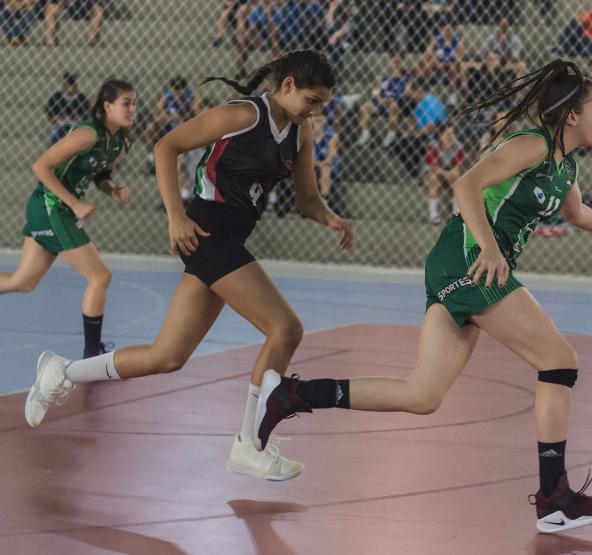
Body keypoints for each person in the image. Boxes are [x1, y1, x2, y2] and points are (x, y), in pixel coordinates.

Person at [255, 60, 592, 534]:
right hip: (468, 258)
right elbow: (465, 183)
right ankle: (554, 497)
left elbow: (576, 214)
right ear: (571, 114)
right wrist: (490, 246)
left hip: (466, 264)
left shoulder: (565, 164)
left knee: (422, 395)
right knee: (559, 361)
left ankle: (291, 394)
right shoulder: (531, 144)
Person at [24, 51, 354, 483]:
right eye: (313, 99)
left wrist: (331, 218)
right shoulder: (242, 115)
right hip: (206, 230)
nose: (317, 110)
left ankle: (60, 370)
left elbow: (307, 198)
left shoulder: (300, 131)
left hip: (230, 238)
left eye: (323, 103)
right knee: (285, 329)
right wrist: (175, 215)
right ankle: (248, 444)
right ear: (288, 85)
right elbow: (167, 146)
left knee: (167, 356)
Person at [2, 80, 134, 359]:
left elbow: (98, 173)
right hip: (51, 206)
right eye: (126, 103)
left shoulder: (117, 139)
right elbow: (41, 166)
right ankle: (91, 355)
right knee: (100, 276)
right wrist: (74, 202)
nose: (132, 109)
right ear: (107, 106)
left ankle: (91, 352)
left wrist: (111, 190)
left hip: (56, 207)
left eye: (134, 103)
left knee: (22, 282)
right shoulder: (88, 133)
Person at [46, 72, 90, 146]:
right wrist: (60, 118)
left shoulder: (81, 98)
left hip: (75, 125)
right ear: (64, 84)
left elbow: (84, 118)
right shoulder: (57, 97)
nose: (70, 87)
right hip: (59, 124)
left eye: (73, 84)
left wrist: (71, 118)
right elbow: (50, 117)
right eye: (69, 84)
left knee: (74, 131)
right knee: (55, 134)